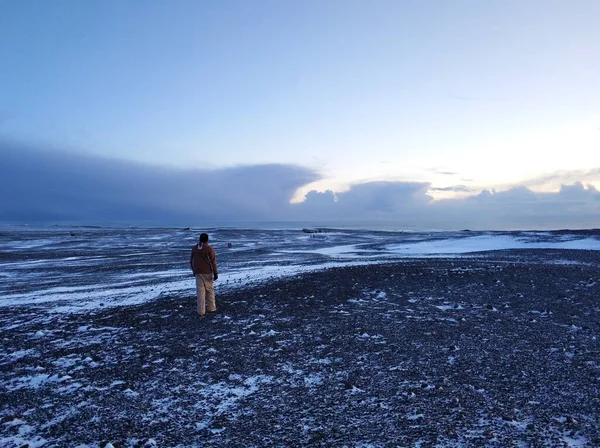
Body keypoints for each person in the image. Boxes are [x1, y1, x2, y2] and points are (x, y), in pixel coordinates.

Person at [190, 233, 218, 317]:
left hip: (198, 272)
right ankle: (211, 308)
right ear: (207, 239)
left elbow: (191, 260)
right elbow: (213, 261)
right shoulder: (209, 249)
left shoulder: (194, 248)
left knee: (200, 291)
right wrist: (215, 272)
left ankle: (201, 311)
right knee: (209, 290)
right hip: (207, 272)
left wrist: (194, 270)